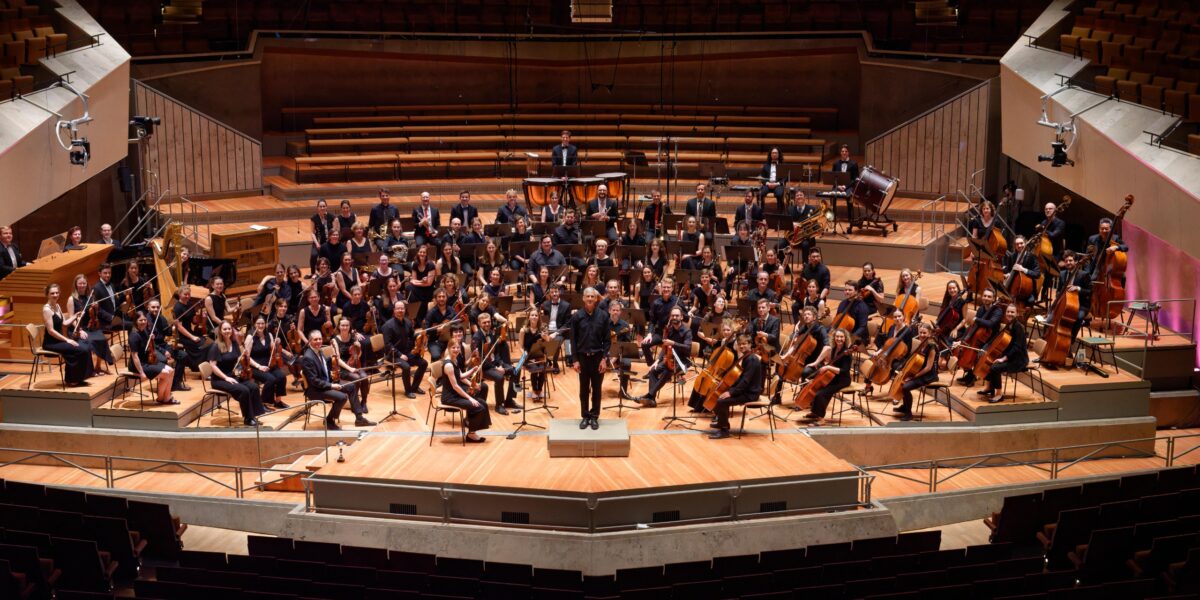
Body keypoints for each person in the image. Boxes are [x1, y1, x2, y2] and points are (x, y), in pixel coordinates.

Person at [438, 330, 491, 442]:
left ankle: (471, 426)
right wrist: (470, 398)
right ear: (448, 348)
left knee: (482, 403)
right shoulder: (448, 365)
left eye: (457, 348)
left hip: (456, 393)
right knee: (478, 406)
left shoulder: (454, 360)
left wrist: (472, 370)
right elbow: (456, 386)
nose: (456, 350)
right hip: (450, 397)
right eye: (453, 348)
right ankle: (471, 434)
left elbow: (461, 376)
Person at [208, 321, 265, 426]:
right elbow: (213, 366)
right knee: (243, 390)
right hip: (219, 379)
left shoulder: (234, 343)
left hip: (233, 376)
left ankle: (254, 416)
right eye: (224, 329)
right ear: (220, 331)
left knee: (253, 386)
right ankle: (248, 418)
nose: (227, 331)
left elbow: (238, 358)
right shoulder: (215, 346)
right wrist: (226, 378)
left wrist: (243, 364)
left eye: (229, 328)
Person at [568, 288, 610, 429]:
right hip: (583, 358)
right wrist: (575, 360)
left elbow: (608, 340)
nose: (590, 298)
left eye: (593, 296)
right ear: (583, 298)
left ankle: (594, 416)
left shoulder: (604, 316)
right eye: (588, 296)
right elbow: (572, 340)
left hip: (598, 358)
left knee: (597, 390)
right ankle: (585, 416)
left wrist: (604, 359)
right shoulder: (577, 317)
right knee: (584, 390)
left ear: (596, 298)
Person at [708, 334, 765, 439]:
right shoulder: (747, 357)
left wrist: (731, 392)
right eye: (739, 344)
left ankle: (724, 430)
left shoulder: (752, 359)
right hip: (745, 390)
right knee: (719, 395)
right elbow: (741, 378)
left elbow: (745, 381)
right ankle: (722, 422)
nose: (741, 346)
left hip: (751, 394)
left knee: (722, 401)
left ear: (750, 344)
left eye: (744, 344)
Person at [637, 306, 691, 408]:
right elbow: (664, 348)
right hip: (669, 358)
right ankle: (651, 400)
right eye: (673, 315)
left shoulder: (687, 331)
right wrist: (657, 360)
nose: (674, 317)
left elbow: (688, 348)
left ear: (681, 317)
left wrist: (674, 343)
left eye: (677, 315)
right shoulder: (669, 330)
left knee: (667, 370)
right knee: (653, 371)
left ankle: (649, 396)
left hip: (682, 361)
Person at [301, 330, 355, 430]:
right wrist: (331, 386)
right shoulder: (307, 358)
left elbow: (323, 364)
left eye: (320, 339)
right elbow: (314, 381)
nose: (318, 341)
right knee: (342, 397)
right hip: (315, 390)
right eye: (315, 339)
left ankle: (359, 416)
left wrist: (333, 357)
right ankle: (329, 421)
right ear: (309, 341)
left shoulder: (319, 351)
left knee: (351, 386)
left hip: (325, 383)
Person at [41, 283, 93, 387]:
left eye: (57, 292)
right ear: (47, 294)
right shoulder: (46, 310)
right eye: (52, 293)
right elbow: (51, 331)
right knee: (79, 349)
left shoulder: (57, 306)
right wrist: (67, 340)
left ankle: (79, 378)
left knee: (86, 347)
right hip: (51, 342)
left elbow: (64, 323)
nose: (55, 295)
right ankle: (72, 380)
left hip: (59, 340)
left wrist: (75, 316)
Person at [801, 328, 855, 425]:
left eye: (841, 337)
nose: (839, 339)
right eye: (837, 336)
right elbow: (831, 363)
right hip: (833, 377)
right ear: (834, 338)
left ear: (845, 338)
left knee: (820, 394)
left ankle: (821, 419)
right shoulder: (834, 349)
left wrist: (828, 367)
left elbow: (844, 370)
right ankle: (815, 413)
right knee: (818, 390)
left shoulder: (847, 353)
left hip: (842, 379)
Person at [125, 310, 177, 404]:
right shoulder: (134, 336)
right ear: (136, 321)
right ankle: (161, 399)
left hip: (147, 361)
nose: (143, 322)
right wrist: (141, 373)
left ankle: (166, 397)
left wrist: (151, 339)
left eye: (145, 320)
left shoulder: (144, 331)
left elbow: (149, 345)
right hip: (138, 365)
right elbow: (135, 356)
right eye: (140, 320)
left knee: (171, 371)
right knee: (165, 373)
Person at [978, 304, 1027, 403]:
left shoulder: (1018, 327)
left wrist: (1004, 358)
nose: (1010, 314)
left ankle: (999, 394)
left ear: (1017, 313)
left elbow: (1016, 348)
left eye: (1012, 312)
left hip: (1018, 360)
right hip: (1011, 356)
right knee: (988, 360)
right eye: (1008, 312)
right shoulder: (1009, 324)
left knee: (995, 367)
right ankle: (989, 387)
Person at [954, 287, 1003, 386]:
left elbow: (991, 323)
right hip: (980, 337)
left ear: (993, 299)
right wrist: (964, 339)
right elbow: (974, 326)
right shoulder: (981, 309)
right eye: (985, 296)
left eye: (989, 297)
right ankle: (970, 374)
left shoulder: (997, 311)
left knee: (979, 354)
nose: (986, 298)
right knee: (965, 350)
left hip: (991, 340)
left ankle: (974, 376)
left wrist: (977, 319)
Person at [474, 312, 520, 415]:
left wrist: (500, 364)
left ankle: (509, 400)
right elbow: (480, 360)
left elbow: (496, 352)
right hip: (484, 368)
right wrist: (496, 368)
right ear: (479, 323)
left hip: (494, 364)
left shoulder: (491, 333)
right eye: (484, 322)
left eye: (489, 322)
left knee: (516, 371)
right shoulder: (477, 338)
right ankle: (499, 405)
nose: (487, 324)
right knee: (499, 377)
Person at [383, 301, 427, 399]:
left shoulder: (407, 321)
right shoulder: (387, 326)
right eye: (398, 308)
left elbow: (412, 335)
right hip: (393, 355)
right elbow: (387, 345)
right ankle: (408, 391)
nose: (400, 310)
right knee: (406, 367)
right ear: (394, 310)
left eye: (402, 308)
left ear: (405, 310)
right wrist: (399, 355)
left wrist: (421, 337)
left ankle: (414, 387)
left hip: (407, 352)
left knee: (423, 363)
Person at [245, 315, 290, 410]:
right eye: (258, 323)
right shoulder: (250, 337)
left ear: (265, 324)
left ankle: (278, 401)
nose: (260, 325)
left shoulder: (269, 335)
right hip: (256, 366)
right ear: (254, 324)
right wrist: (258, 366)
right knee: (271, 379)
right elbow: (247, 357)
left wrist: (277, 342)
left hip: (269, 364)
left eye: (262, 323)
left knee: (281, 377)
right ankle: (262, 403)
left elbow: (273, 349)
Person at [894, 322, 938, 420]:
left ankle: (909, 413)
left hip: (929, 375)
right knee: (903, 381)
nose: (922, 335)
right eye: (920, 332)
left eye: (924, 333)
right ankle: (905, 407)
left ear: (929, 334)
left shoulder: (932, 347)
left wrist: (914, 376)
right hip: (919, 372)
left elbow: (928, 368)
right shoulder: (921, 344)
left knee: (905, 387)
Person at [146, 299, 189, 392]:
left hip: (163, 345)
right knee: (163, 359)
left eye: (157, 307)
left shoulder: (161, 318)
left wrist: (174, 325)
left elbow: (168, 333)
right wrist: (163, 351)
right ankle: (163, 387)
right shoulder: (146, 321)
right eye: (153, 307)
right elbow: (150, 342)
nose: (156, 309)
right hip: (152, 348)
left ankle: (175, 383)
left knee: (183, 356)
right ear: (148, 308)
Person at [1039, 201, 1066, 301]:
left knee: (1048, 272)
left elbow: (1054, 235)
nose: (1048, 210)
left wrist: (1043, 229)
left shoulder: (1060, 223)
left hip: (1055, 252)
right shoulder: (1044, 222)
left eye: (1050, 209)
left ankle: (1044, 293)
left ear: (1055, 211)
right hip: (1044, 251)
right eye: (1046, 209)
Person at [1002, 235, 1041, 307]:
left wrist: (1023, 269)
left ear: (1025, 243)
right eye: (1017, 244)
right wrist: (1007, 274)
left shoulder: (1032, 257)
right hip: (1012, 286)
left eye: (1021, 243)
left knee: (1030, 301)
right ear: (1015, 246)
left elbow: (1037, 274)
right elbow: (1007, 269)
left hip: (1027, 289)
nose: (1019, 245)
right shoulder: (1012, 256)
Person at [830, 144, 860, 223]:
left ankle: (850, 218)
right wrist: (838, 186)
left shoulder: (853, 164)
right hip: (838, 185)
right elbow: (832, 177)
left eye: (845, 151)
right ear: (840, 153)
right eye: (842, 151)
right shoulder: (836, 164)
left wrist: (845, 186)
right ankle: (833, 217)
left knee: (848, 196)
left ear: (848, 153)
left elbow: (855, 179)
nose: (844, 153)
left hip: (849, 186)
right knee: (833, 194)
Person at [310, 199, 337, 274]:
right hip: (318, 241)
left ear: (326, 207)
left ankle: (330, 271)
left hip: (329, 242)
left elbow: (334, 231)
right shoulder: (314, 218)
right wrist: (317, 243)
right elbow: (312, 233)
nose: (322, 208)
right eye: (320, 206)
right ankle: (313, 273)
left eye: (323, 206)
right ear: (317, 208)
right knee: (313, 255)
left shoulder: (332, 217)